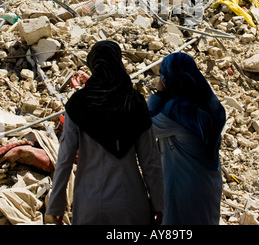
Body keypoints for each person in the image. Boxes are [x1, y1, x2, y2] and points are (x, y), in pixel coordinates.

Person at [46, 40, 164, 225]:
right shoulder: (134, 102)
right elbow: (150, 161)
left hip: (90, 202)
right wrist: (159, 204)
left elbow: (65, 158)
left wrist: (56, 205)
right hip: (131, 202)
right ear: (118, 62)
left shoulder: (79, 104)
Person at [147, 51, 226, 225]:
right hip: (207, 181)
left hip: (185, 187)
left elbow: (144, 128)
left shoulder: (177, 112)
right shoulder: (204, 105)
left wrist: (158, 95)